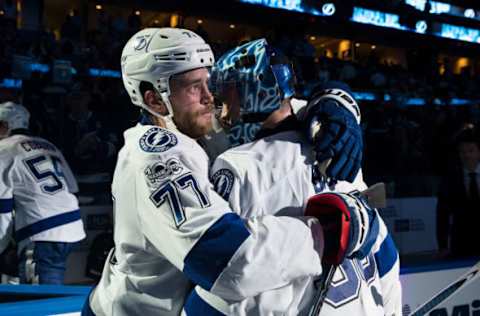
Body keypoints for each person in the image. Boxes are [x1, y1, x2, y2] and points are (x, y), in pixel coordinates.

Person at [83, 28, 376, 316]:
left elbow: (279, 106)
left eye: (210, 82)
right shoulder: (154, 160)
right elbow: (225, 259)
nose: (210, 97)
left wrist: (337, 102)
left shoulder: (188, 121)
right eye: (193, 86)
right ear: (154, 100)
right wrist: (327, 229)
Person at [182, 39, 401, 315]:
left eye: (228, 96)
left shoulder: (238, 166)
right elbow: (384, 253)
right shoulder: (338, 149)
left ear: (253, 91)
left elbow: (229, 275)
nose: (222, 110)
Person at [0, 101, 85, 284]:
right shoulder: (48, 145)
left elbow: (2, 208)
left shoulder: (3, 149)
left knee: (39, 297)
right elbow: (73, 188)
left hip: (42, 234)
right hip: (72, 227)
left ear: (6, 125)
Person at [437, 127, 480, 258]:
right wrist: (443, 246)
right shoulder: (450, 178)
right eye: (462, 152)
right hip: (461, 244)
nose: (466, 155)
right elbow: (442, 214)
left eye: (471, 151)